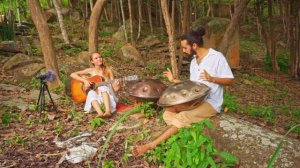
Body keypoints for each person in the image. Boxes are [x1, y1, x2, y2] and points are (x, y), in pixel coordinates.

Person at [132, 27, 234, 156]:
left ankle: (151, 145)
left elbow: (230, 80)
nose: (184, 51)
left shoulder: (216, 57)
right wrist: (174, 80)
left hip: (211, 102)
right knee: (167, 114)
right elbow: (191, 87)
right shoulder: (193, 63)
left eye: (185, 48)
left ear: (195, 45)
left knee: (182, 116)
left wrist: (212, 79)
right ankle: (189, 125)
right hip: (195, 101)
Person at [70, 52, 120, 118]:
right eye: (96, 58)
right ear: (92, 61)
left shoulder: (108, 70)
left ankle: (108, 111)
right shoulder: (90, 70)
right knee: (90, 92)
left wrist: (117, 85)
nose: (99, 59)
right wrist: (84, 81)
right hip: (98, 100)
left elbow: (115, 89)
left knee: (102, 87)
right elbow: (72, 74)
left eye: (100, 57)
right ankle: (100, 113)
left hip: (108, 98)